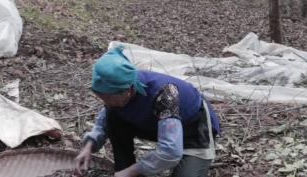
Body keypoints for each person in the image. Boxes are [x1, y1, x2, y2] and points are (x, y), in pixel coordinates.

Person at [74, 45, 220, 177]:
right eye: (102, 98)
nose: (106, 103)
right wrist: (89, 146)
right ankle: (123, 167)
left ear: (128, 91)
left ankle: (128, 172)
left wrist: (132, 171)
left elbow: (170, 152)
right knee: (112, 115)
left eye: (109, 98)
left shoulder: (165, 94)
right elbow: (105, 118)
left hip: (193, 132)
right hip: (157, 125)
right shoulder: (117, 93)